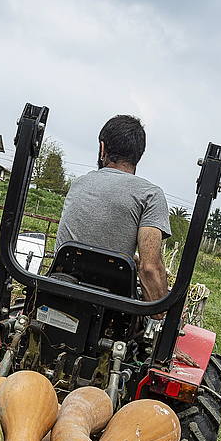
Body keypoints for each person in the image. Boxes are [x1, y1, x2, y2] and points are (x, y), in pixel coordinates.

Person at [55, 114, 171, 306]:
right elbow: (149, 268)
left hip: (58, 293)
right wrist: (159, 312)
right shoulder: (150, 195)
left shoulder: (79, 183)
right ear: (138, 155)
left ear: (102, 148)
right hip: (111, 310)